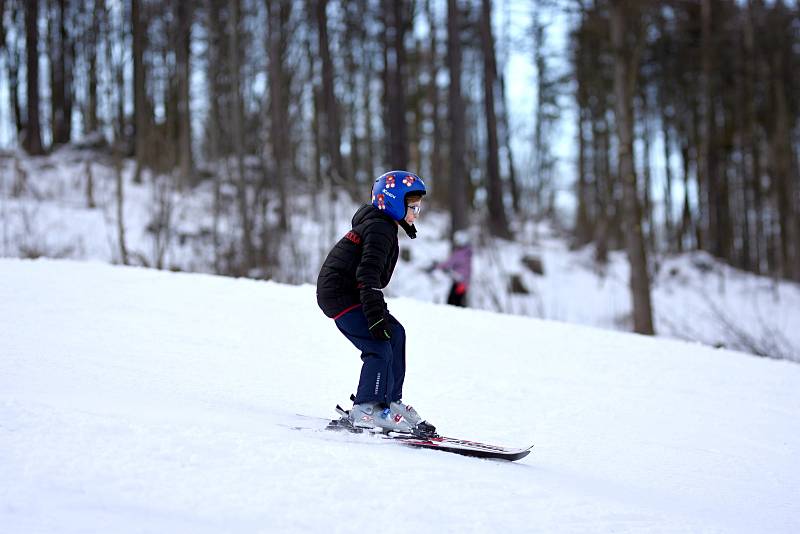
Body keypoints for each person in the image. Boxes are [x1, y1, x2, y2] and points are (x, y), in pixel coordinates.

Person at [316, 170, 434, 434]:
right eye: (412, 206)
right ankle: (366, 408)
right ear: (393, 202)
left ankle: (390, 403)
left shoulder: (382, 226)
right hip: (340, 295)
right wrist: (376, 316)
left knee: (396, 334)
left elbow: (367, 279)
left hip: (352, 292)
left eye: (419, 206)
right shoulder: (380, 228)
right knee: (379, 346)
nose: (416, 212)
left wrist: (379, 314)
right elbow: (367, 275)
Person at [433, 230, 473, 308]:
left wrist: (437, 266)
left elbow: (449, 263)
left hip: (459, 281)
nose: (456, 243)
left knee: (453, 301)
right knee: (458, 300)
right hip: (465, 282)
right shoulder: (468, 252)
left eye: (457, 241)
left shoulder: (460, 253)